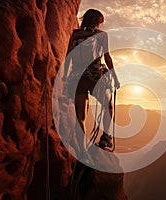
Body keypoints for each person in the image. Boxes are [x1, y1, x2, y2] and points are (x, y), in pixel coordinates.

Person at [64, 9, 120, 161]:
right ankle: (106, 137)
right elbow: (107, 57)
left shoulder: (75, 35)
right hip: (95, 76)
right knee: (108, 106)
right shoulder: (101, 35)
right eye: (99, 21)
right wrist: (115, 77)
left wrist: (64, 77)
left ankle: (83, 152)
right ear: (96, 21)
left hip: (76, 79)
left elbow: (68, 57)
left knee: (80, 117)